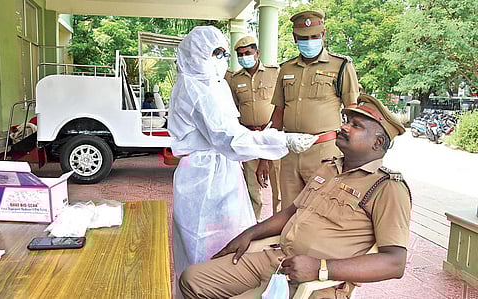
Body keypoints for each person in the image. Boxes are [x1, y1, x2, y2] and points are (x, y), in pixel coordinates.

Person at [179, 94, 412, 299]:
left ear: (378, 142)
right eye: (346, 121)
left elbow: (394, 263)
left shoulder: (387, 188)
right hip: (278, 260)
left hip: (314, 281)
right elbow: (292, 212)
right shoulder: (329, 169)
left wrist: (322, 268)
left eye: (356, 125)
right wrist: (248, 234)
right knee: (192, 279)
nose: (344, 127)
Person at [167, 26, 318, 296]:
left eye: (224, 53)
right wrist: (282, 141)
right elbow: (228, 139)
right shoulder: (194, 89)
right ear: (196, 54)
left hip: (222, 170)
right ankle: (201, 288)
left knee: (231, 236)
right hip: (204, 175)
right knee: (200, 242)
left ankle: (222, 287)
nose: (222, 59)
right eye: (215, 53)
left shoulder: (213, 84)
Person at [257, 10, 361, 210]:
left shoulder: (340, 66)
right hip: (290, 152)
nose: (309, 41)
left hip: (325, 152)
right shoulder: (286, 69)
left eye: (314, 36)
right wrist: (264, 156)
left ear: (323, 35)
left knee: (322, 210)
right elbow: (277, 115)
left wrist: (353, 157)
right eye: (304, 38)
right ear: (295, 38)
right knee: (288, 210)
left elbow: (353, 113)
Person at [226, 35, 282, 219]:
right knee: (252, 187)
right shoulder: (234, 79)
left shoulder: (275, 73)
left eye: (247, 53)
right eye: (240, 54)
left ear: (257, 53)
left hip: (272, 136)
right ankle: (253, 225)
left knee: (279, 188)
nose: (244, 57)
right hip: (248, 136)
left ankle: (278, 228)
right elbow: (233, 109)